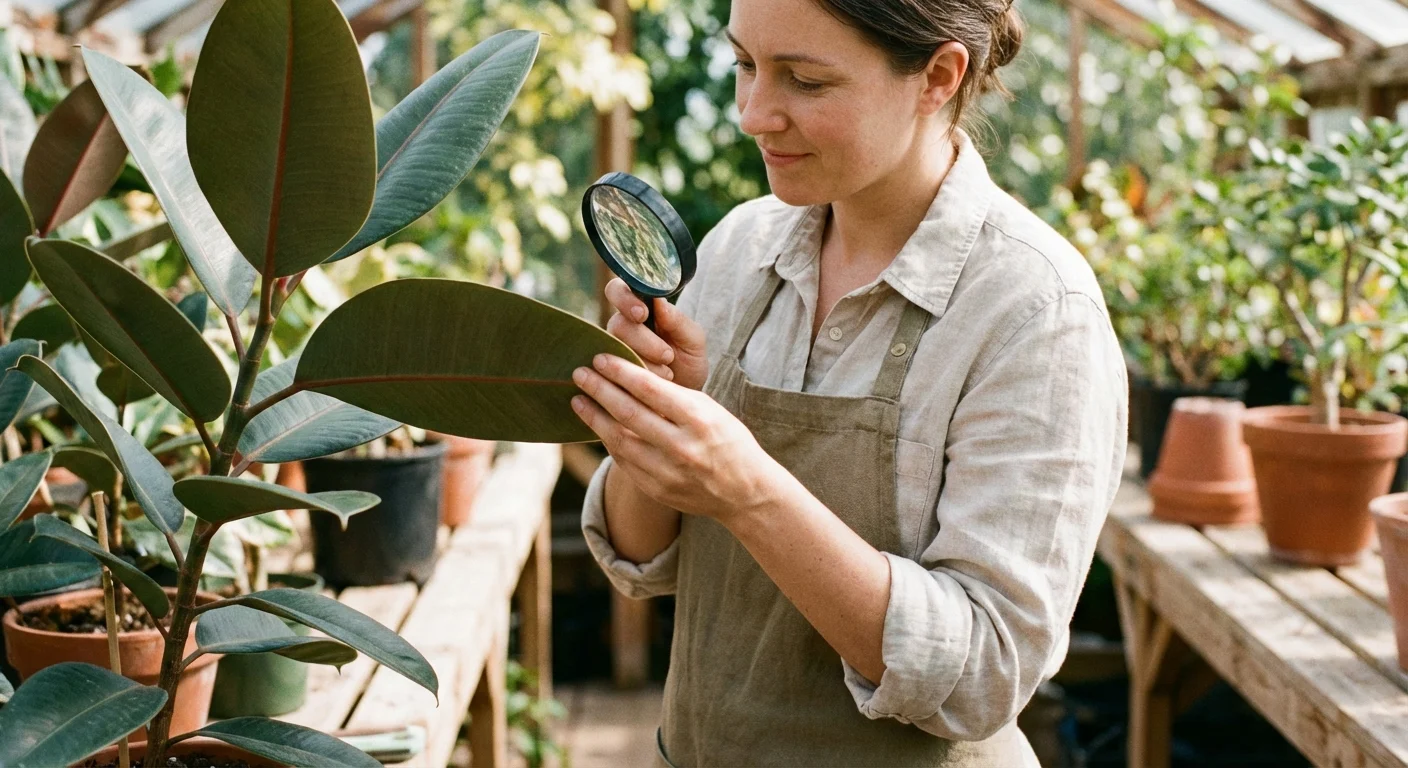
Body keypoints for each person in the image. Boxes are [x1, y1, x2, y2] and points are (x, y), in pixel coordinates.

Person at [571, 0, 1127, 764]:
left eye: (804, 79)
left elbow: (983, 675)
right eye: (745, 65)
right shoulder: (740, 251)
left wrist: (751, 491)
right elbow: (638, 561)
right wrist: (655, 421)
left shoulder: (1032, 310)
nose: (753, 114)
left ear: (937, 75)